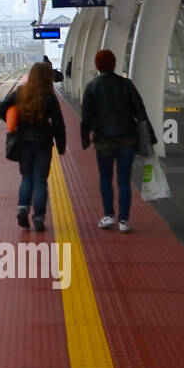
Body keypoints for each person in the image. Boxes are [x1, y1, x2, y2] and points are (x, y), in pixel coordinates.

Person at [80, 49, 151, 233]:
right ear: (114, 64)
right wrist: (147, 134)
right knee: (124, 181)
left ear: (97, 65)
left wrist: (85, 137)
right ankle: (124, 221)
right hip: (127, 139)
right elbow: (140, 111)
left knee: (105, 178)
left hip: (103, 141)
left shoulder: (92, 87)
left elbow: (86, 116)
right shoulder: (126, 84)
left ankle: (109, 216)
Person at [0, 61, 67, 231]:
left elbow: (0, 108)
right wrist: (61, 145)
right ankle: (39, 218)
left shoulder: (20, 93)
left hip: (23, 142)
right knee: (40, 181)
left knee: (26, 177)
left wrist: (14, 123)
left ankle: (23, 208)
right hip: (43, 142)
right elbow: (59, 124)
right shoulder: (50, 97)